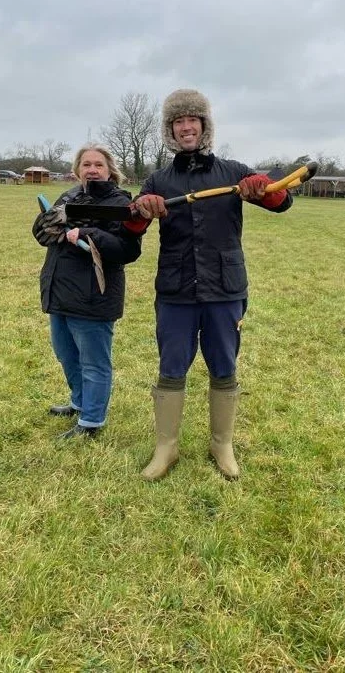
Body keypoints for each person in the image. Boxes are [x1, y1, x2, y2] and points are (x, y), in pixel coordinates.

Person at [131, 89, 293, 480]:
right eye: (178, 122)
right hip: (176, 290)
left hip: (225, 289)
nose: (186, 127)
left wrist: (265, 187)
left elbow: (282, 202)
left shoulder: (233, 172)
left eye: (193, 120)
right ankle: (166, 448)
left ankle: (222, 444)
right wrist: (142, 209)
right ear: (170, 130)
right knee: (171, 367)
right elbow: (132, 225)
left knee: (224, 366)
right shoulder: (159, 179)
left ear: (205, 126)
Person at [32, 143, 143, 439]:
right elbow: (42, 233)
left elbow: (127, 250)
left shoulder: (120, 203)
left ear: (110, 171)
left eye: (98, 165)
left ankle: (92, 421)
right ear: (77, 169)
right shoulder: (68, 196)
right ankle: (79, 402)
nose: (92, 169)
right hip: (60, 291)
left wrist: (87, 233)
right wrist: (49, 224)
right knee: (66, 355)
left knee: (94, 362)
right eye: (86, 164)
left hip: (94, 295)